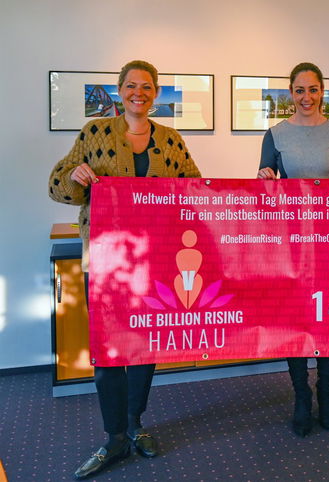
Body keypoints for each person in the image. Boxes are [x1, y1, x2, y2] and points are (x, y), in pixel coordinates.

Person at [48, 60, 202, 479]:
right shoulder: (95, 133)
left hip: (154, 260)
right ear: (120, 92)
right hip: (106, 261)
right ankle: (114, 435)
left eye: (147, 87)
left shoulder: (170, 141)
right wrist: (77, 176)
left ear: (155, 94)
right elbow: (57, 184)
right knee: (108, 348)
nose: (140, 92)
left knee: (143, 347)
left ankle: (136, 425)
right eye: (131, 86)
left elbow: (195, 189)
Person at [257, 62, 329, 437]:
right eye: (299, 90)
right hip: (290, 244)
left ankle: (327, 393)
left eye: (313, 90)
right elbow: (265, 184)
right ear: (290, 93)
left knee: (328, 318)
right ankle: (301, 395)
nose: (306, 97)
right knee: (296, 319)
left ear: (322, 92)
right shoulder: (275, 134)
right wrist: (265, 178)